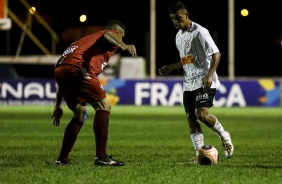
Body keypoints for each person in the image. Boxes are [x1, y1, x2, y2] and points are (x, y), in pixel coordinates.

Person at [51, 20, 137, 166]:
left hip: (60, 70)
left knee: (80, 112)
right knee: (104, 106)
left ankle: (62, 159)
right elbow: (109, 35)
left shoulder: (83, 42)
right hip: (80, 69)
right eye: (121, 36)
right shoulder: (109, 34)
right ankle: (101, 157)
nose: (120, 39)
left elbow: (65, 72)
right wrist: (123, 45)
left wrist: (57, 105)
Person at [158, 1, 234, 160]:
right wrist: (171, 67)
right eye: (172, 19)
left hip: (205, 79)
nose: (175, 21)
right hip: (189, 83)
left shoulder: (200, 32)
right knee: (191, 119)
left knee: (201, 114)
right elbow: (187, 60)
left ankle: (224, 136)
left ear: (186, 15)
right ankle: (200, 153)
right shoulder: (178, 36)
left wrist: (209, 75)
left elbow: (216, 54)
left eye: (178, 18)